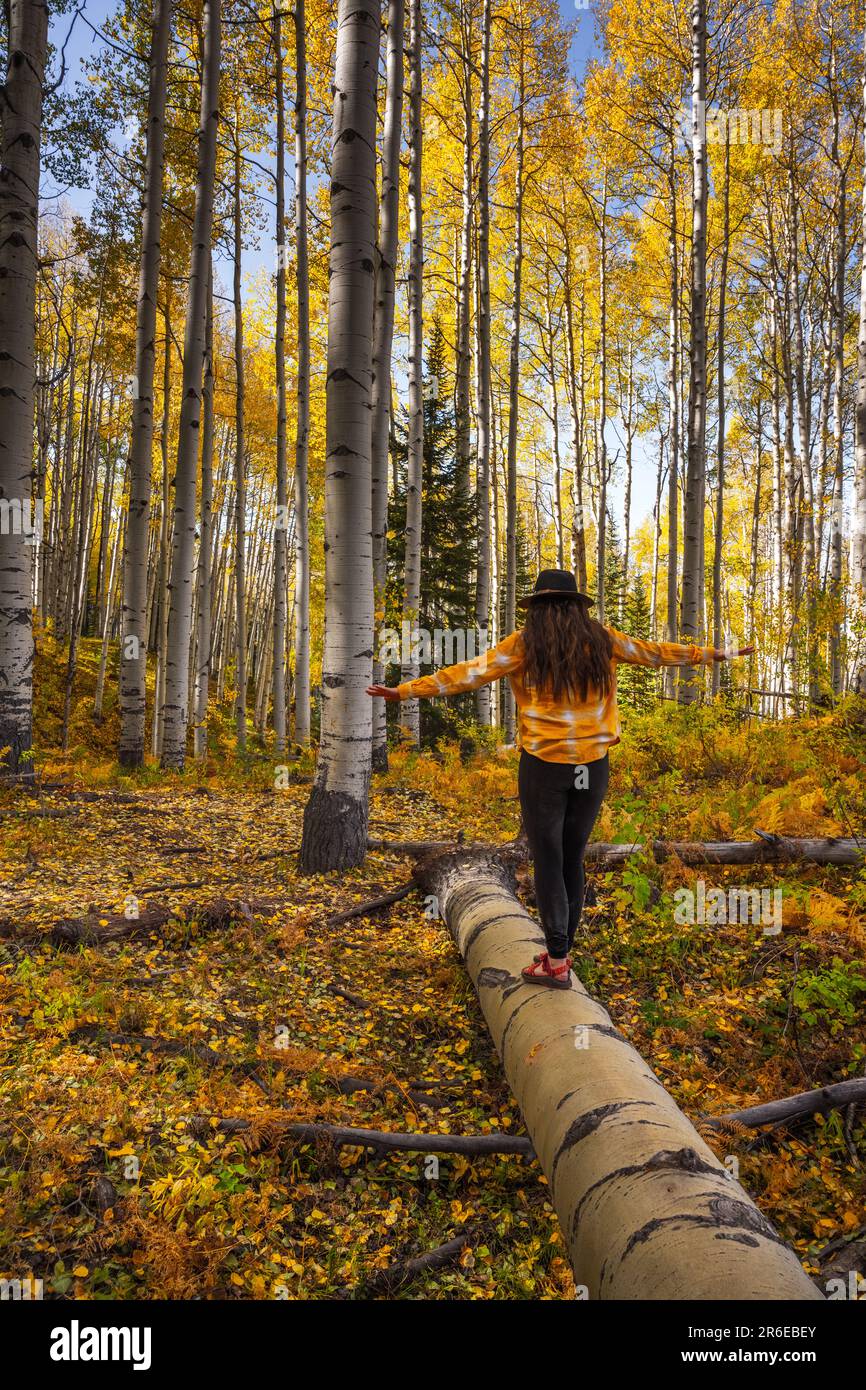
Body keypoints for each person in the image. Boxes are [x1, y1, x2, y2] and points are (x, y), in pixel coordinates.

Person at [367, 569, 754, 991]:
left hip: (545, 768)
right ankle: (560, 953)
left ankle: (556, 959)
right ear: (576, 606)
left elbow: (468, 674)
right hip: (592, 767)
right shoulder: (602, 640)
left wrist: (404, 692)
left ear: (536, 608)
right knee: (572, 855)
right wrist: (716, 654)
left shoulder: (524, 644)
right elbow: (656, 653)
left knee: (549, 857)